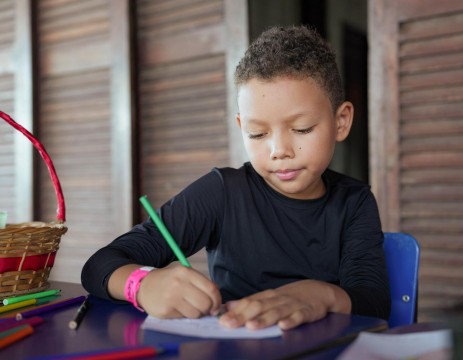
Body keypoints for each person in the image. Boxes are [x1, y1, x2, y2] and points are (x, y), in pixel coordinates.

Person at [81, 25, 390, 331]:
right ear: (242, 126)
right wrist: (143, 285)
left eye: (302, 129)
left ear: (341, 122)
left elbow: (375, 304)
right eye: (257, 133)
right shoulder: (223, 192)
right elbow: (99, 266)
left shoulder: (354, 202)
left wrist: (322, 296)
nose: (279, 150)